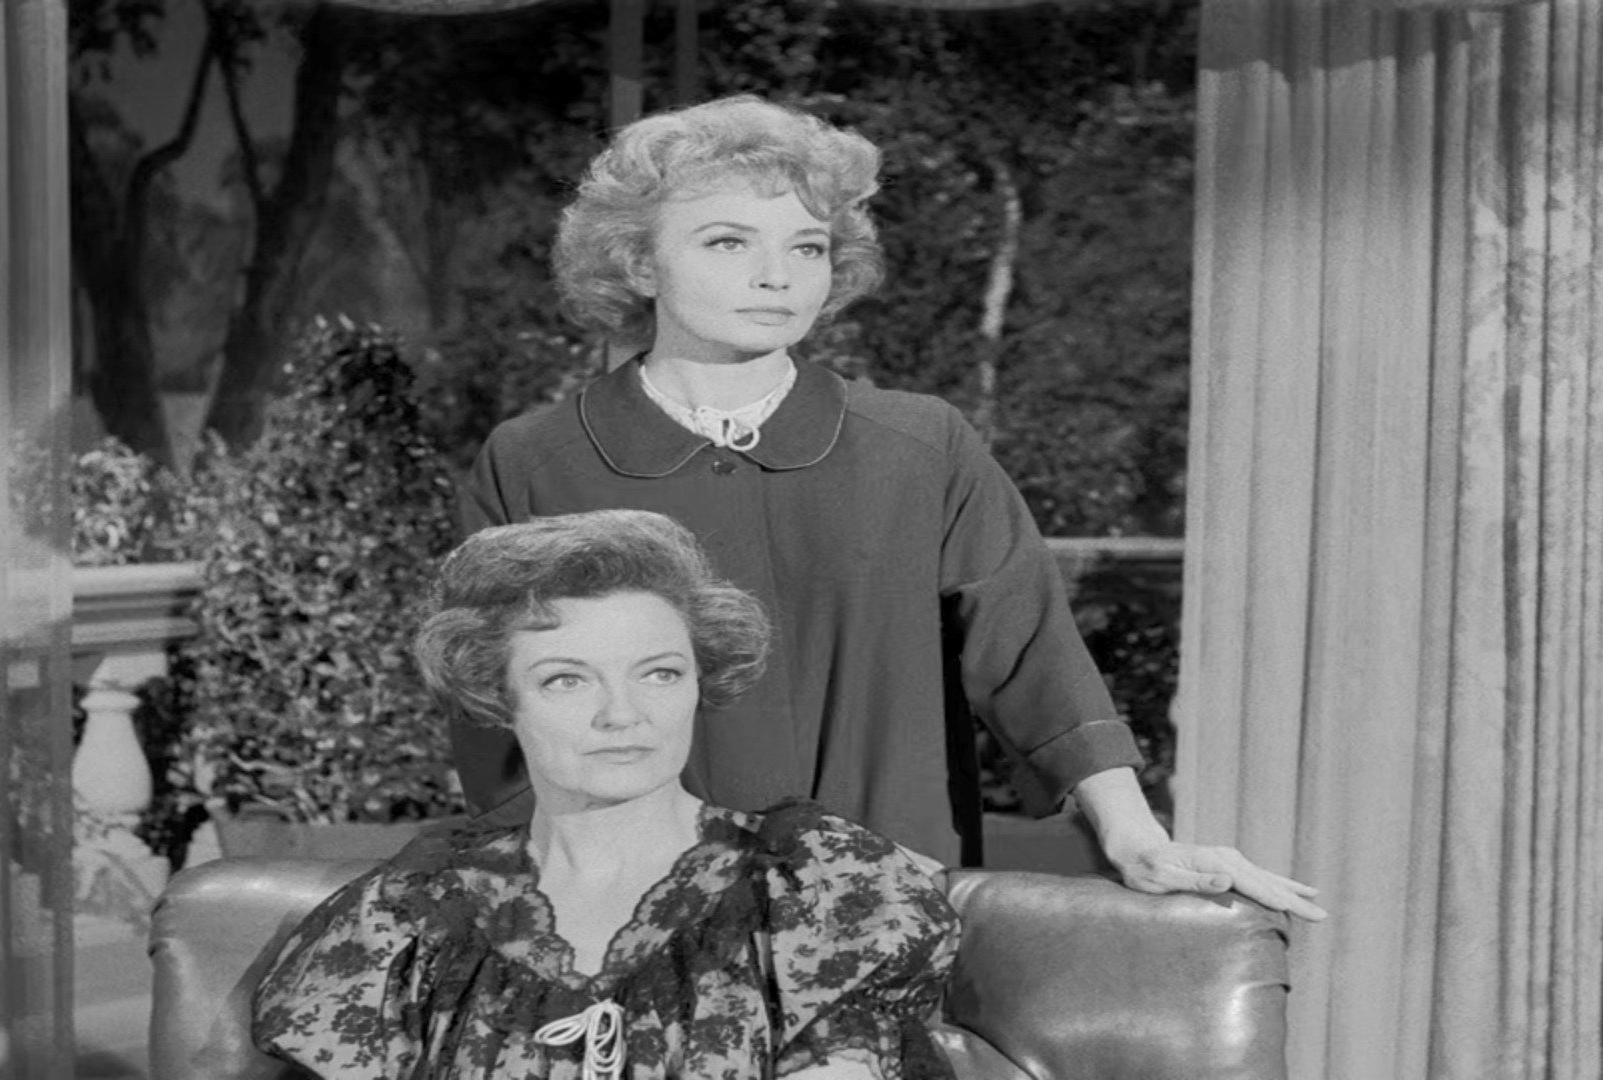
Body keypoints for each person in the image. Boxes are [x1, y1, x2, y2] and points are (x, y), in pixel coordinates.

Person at [453, 94, 1326, 921]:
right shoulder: (534, 463)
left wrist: (1136, 835)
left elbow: (1032, 658)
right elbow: (495, 717)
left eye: (806, 248)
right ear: (640, 263)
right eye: (727, 242)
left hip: (883, 907)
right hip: (632, 914)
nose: (776, 277)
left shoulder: (919, 446)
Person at [253, 510, 959, 1079]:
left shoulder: (813, 886)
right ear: (499, 697)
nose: (622, 714)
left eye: (659, 674)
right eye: (567, 680)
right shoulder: (413, 915)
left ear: (701, 682)